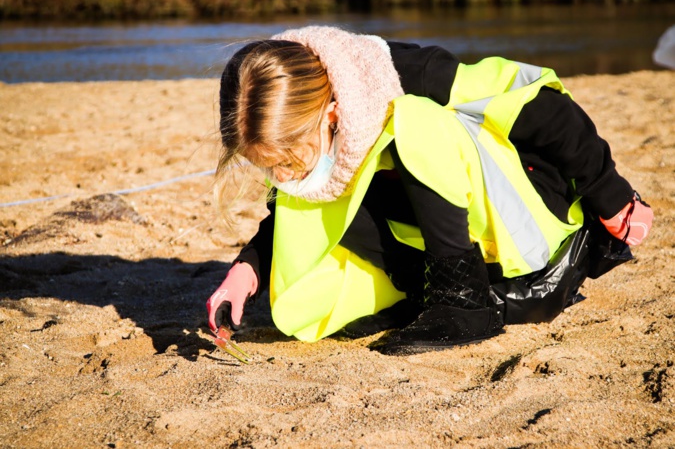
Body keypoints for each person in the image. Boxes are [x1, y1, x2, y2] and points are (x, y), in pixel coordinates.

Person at [206, 26, 653, 355]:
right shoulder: (305, 142)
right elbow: (294, 211)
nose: (281, 176)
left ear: (333, 113)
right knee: (306, 220)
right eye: (268, 167)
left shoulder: (402, 73)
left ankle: (462, 305)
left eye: (288, 161)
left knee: (414, 122)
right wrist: (247, 272)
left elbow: (540, 104)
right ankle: (430, 294)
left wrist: (611, 196)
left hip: (527, 223)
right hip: (450, 245)